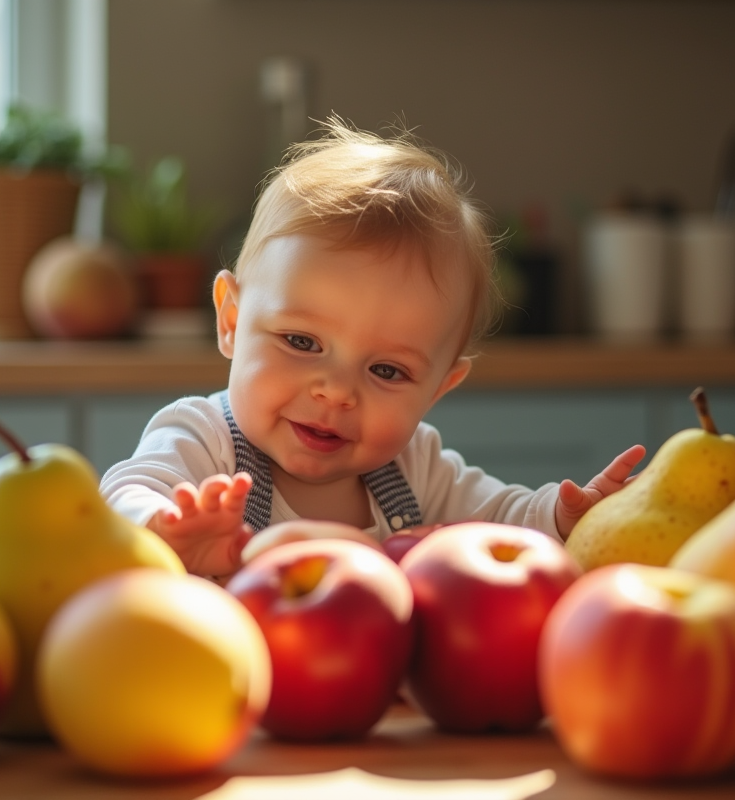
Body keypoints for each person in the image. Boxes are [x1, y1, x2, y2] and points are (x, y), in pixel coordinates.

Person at [101, 117, 645, 578]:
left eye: (386, 370)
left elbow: (503, 519)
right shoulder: (204, 441)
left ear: (438, 388)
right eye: (301, 341)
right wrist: (166, 525)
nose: (337, 392)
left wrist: (563, 515)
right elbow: (123, 493)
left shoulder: (416, 466)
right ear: (232, 321)